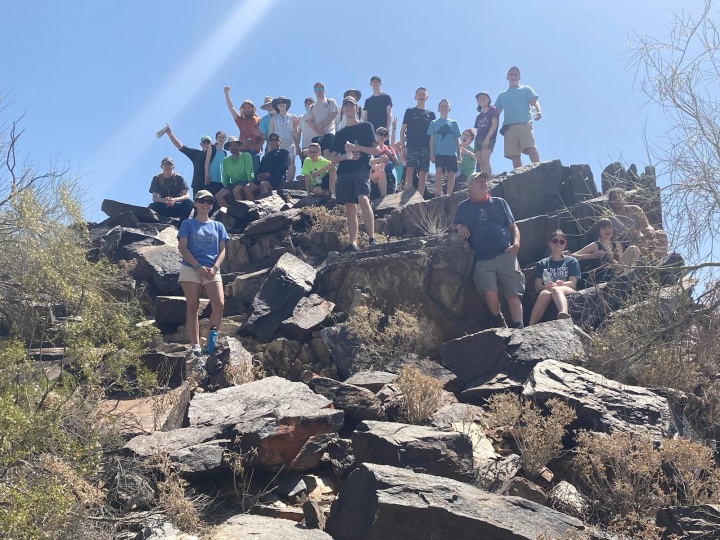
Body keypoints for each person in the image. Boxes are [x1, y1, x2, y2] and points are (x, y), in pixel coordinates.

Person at [453, 172, 524, 328]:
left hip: (506, 253)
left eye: (485, 181)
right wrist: (460, 226)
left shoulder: (499, 202)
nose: (484, 183)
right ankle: (498, 320)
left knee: (513, 293)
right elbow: (453, 224)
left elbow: (513, 227)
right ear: (470, 186)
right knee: (489, 292)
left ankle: (519, 326)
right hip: (482, 258)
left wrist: (516, 244)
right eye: (479, 181)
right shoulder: (463, 207)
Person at [177, 190, 229, 356]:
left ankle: (210, 342)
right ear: (195, 203)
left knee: (219, 304)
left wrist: (214, 268)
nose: (206, 204)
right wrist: (197, 266)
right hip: (191, 268)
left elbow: (222, 251)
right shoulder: (188, 224)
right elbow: (182, 248)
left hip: (212, 270)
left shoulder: (218, 226)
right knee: (192, 306)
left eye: (209, 201)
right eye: (202, 200)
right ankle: (196, 345)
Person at [331, 95, 378, 252]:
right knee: (349, 206)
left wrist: (358, 149)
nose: (349, 108)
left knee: (363, 199)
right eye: (346, 105)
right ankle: (353, 243)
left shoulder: (366, 126)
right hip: (344, 171)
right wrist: (346, 156)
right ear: (342, 110)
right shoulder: (340, 133)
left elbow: (376, 150)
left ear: (357, 108)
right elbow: (333, 158)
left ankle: (372, 238)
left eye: (352, 105)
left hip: (362, 168)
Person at [528, 231, 580, 325]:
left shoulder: (572, 261)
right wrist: (547, 286)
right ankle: (531, 325)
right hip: (549, 289)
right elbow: (537, 287)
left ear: (565, 244)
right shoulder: (542, 264)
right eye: (555, 241)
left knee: (556, 289)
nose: (558, 244)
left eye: (562, 241)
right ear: (550, 243)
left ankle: (564, 314)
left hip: (568, 289)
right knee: (544, 293)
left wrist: (561, 284)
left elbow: (573, 283)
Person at [494, 66, 541, 170]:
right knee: (514, 154)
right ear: (507, 77)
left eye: (516, 74)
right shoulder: (502, 95)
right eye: (511, 74)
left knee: (530, 147)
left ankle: (539, 169)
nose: (513, 76)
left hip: (524, 124)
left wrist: (538, 111)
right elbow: (496, 112)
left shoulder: (526, 89)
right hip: (509, 127)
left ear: (520, 77)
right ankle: (519, 175)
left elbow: (533, 101)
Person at [572, 217, 641, 286]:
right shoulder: (595, 245)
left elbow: (620, 265)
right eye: (604, 228)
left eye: (610, 227)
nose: (607, 230)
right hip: (603, 275)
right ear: (599, 231)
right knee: (633, 249)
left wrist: (612, 259)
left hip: (619, 272)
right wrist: (592, 255)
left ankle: (630, 275)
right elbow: (573, 256)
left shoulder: (617, 245)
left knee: (634, 249)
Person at [606, 187, 668, 258]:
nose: (617, 200)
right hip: (625, 246)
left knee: (661, 234)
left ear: (625, 198)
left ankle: (659, 259)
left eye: (620, 197)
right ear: (610, 201)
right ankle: (647, 260)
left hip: (641, 239)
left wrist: (650, 230)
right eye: (614, 198)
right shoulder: (609, 217)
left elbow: (646, 225)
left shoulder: (635, 209)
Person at [160, 124, 213, 199]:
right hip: (198, 185)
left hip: (212, 183)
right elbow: (180, 146)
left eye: (208, 142)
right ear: (201, 144)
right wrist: (170, 134)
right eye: (205, 142)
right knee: (198, 206)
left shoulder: (215, 155)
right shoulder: (196, 154)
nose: (207, 144)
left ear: (211, 144)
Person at [400, 87, 436, 196]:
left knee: (423, 172)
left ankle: (420, 197)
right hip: (412, 145)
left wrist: (432, 151)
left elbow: (433, 135)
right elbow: (402, 131)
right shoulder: (410, 111)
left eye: (423, 94)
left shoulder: (431, 114)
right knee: (409, 169)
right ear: (415, 97)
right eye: (419, 94)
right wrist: (403, 149)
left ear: (427, 97)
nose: (421, 96)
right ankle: (406, 193)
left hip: (425, 147)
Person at [223, 87, 263, 173]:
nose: (247, 109)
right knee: (243, 173)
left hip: (254, 151)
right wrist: (226, 93)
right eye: (245, 108)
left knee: (255, 173)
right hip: (242, 151)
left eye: (249, 107)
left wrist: (257, 144)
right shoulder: (240, 120)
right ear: (242, 109)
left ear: (252, 108)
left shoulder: (259, 120)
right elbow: (231, 108)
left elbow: (263, 138)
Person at [428, 99, 461, 197]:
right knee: (439, 170)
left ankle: (449, 193)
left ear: (449, 108)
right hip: (439, 151)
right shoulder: (434, 123)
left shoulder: (453, 123)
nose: (444, 108)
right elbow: (432, 139)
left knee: (451, 172)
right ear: (438, 108)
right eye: (442, 106)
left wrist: (459, 155)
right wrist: (431, 153)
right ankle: (438, 192)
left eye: (446, 106)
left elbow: (456, 139)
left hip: (451, 152)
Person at [216, 136, 255, 206]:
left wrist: (251, 183)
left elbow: (250, 171)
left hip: (245, 180)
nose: (233, 147)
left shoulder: (246, 156)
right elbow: (225, 178)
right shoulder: (225, 161)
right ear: (228, 148)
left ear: (239, 146)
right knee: (218, 196)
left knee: (236, 190)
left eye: (235, 145)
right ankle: (227, 213)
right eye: (231, 146)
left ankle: (241, 211)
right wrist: (226, 188)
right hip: (233, 183)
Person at [305, 82, 339, 159]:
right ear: (314, 91)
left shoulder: (330, 101)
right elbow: (309, 120)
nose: (319, 91)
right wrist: (316, 128)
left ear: (324, 90)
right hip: (316, 134)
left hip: (328, 132)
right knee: (316, 157)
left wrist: (321, 125)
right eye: (316, 89)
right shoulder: (311, 107)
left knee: (327, 154)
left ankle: (329, 171)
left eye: (321, 88)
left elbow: (333, 115)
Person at [269, 96, 298, 180]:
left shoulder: (293, 117)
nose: (281, 104)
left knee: (291, 161)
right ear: (277, 106)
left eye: (283, 102)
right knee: (276, 163)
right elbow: (271, 133)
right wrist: (270, 147)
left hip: (289, 142)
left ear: (286, 104)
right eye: (279, 103)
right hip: (277, 143)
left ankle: (289, 183)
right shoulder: (273, 118)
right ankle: (278, 180)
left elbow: (296, 133)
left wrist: (297, 145)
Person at [473, 91, 500, 176]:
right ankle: (483, 181)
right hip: (478, 139)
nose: (482, 100)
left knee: (485, 160)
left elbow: (494, 124)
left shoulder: (493, 110)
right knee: (480, 162)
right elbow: (477, 129)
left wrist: (487, 138)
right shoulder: (479, 116)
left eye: (484, 98)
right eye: (479, 99)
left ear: (488, 99)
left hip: (488, 139)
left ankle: (488, 181)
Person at [370, 126, 397, 199]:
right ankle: (383, 197)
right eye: (381, 134)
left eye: (385, 135)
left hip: (389, 174)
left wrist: (390, 154)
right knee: (381, 170)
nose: (382, 136)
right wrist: (382, 163)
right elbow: (374, 167)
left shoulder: (389, 148)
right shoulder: (372, 148)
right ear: (376, 135)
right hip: (373, 175)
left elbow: (396, 163)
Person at [203, 131, 227, 198]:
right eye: (219, 137)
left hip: (221, 178)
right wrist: (206, 174)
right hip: (211, 177)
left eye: (223, 137)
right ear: (216, 138)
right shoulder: (212, 147)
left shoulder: (224, 153)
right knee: (210, 196)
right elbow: (207, 161)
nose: (221, 139)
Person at [296, 97, 316, 163]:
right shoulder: (301, 118)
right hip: (305, 146)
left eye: (311, 102)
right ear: (305, 106)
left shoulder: (318, 116)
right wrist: (297, 145)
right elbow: (298, 133)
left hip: (317, 146)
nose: (310, 104)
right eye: (308, 103)